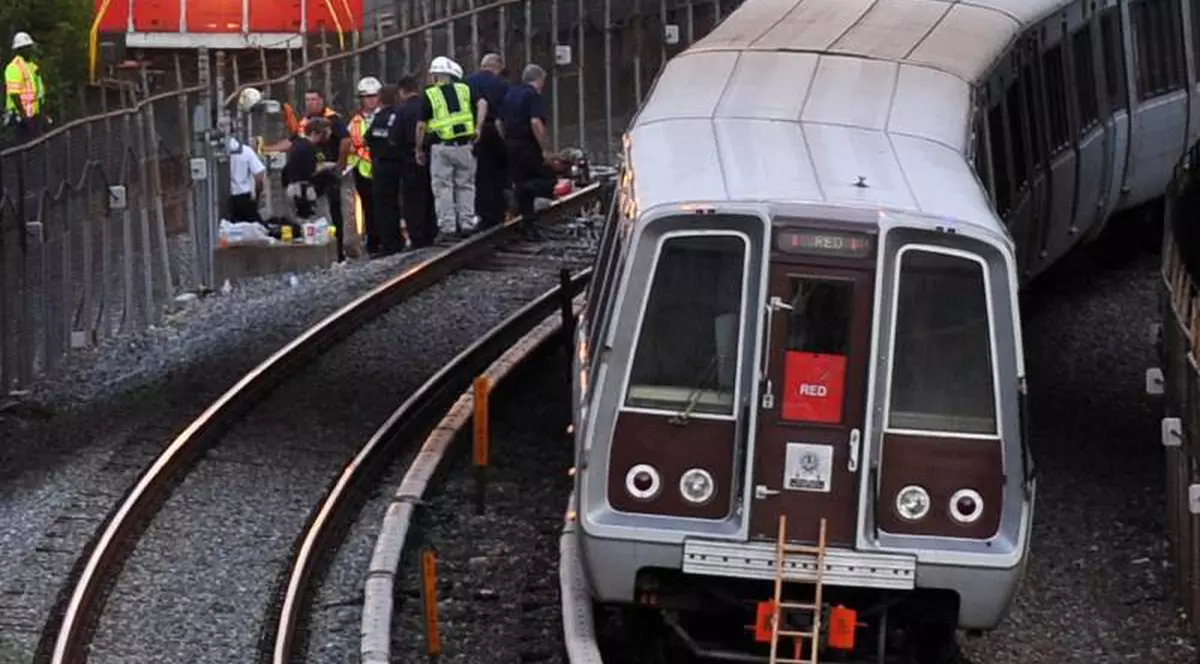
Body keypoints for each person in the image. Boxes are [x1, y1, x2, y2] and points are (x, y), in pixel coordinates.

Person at [267, 90, 352, 261]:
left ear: (321, 100)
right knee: (317, 221)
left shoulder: (333, 119)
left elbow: (346, 140)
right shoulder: (305, 137)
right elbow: (296, 152)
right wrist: (268, 149)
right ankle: (325, 256)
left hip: (320, 182)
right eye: (307, 99)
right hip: (308, 187)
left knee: (329, 216)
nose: (310, 103)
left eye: (314, 99)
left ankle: (336, 252)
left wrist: (340, 165)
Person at [416, 56, 486, 238]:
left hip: (442, 147)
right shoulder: (465, 89)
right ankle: (467, 223)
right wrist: (478, 128)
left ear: (436, 76)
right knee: (466, 186)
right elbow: (483, 103)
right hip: (465, 146)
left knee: (443, 188)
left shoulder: (430, 94)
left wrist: (418, 148)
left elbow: (421, 125)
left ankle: (448, 228)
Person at [498, 63, 557, 240]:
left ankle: (528, 225)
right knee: (548, 179)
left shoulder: (510, 93)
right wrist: (546, 150)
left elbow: (499, 122)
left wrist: (507, 140)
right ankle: (520, 192)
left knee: (523, 180)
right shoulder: (533, 96)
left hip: (510, 144)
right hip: (528, 145)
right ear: (539, 80)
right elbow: (535, 123)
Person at [465, 53, 510, 230]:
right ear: (498, 67)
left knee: (479, 176)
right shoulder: (503, 85)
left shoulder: (467, 82)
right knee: (498, 174)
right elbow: (504, 114)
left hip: (473, 132)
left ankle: (481, 214)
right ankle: (498, 213)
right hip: (495, 131)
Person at [395, 75, 439, 248]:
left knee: (413, 200)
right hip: (430, 155)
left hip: (409, 157)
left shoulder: (402, 110)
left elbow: (395, 137)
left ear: (402, 91)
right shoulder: (426, 104)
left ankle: (418, 236)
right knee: (430, 195)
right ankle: (432, 231)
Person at [366, 84, 407, 256]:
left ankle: (389, 243)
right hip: (399, 164)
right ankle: (399, 239)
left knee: (383, 206)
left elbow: (368, 137)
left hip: (382, 165)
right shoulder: (399, 115)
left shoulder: (380, 117)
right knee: (398, 204)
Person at [349, 76, 382, 254]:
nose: (370, 99)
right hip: (363, 171)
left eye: (373, 96)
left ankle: (386, 239)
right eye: (366, 96)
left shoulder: (385, 116)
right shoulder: (355, 121)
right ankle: (373, 242)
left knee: (384, 207)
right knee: (368, 209)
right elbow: (350, 145)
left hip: (382, 169)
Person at [281, 117, 338, 221]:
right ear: (316, 133)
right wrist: (328, 165)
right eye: (324, 133)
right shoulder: (307, 147)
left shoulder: (298, 144)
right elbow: (310, 170)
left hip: (297, 189)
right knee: (319, 224)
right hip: (305, 192)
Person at [5, 32, 45, 143]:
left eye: (29, 47)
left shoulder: (32, 66)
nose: (29, 50)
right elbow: (14, 94)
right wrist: (23, 115)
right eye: (25, 48)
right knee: (25, 150)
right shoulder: (14, 67)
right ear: (19, 50)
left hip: (34, 115)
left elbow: (37, 92)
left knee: (36, 148)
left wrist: (42, 113)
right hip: (21, 117)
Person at [226, 136, 266, 224]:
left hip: (220, 198)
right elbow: (259, 174)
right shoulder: (245, 151)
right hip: (242, 198)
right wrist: (258, 193)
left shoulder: (210, 151)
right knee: (256, 228)